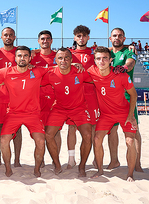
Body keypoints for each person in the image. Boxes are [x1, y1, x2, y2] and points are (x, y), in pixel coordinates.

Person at [0, 46, 47, 177]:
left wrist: (73, 64)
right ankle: (8, 168)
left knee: (40, 141)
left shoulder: (37, 71)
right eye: (20, 56)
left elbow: (57, 68)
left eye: (25, 56)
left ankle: (37, 169)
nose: (22, 58)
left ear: (30, 58)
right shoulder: (6, 72)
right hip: (14, 114)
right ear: (15, 58)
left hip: (33, 114)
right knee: (4, 140)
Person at [89, 46, 138, 182]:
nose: (102, 61)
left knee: (130, 141)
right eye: (98, 58)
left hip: (124, 113)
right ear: (95, 61)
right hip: (106, 115)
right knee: (97, 139)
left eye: (105, 58)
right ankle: (100, 170)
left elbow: (133, 95)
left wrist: (131, 115)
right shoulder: (91, 71)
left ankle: (130, 174)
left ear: (111, 60)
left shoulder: (120, 75)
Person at [42, 48, 93, 177]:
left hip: (79, 108)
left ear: (71, 60)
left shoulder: (80, 72)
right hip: (59, 108)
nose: (63, 60)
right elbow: (32, 78)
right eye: (60, 58)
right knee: (48, 135)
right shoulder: (50, 73)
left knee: (87, 136)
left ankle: (82, 166)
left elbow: (97, 79)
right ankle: (57, 164)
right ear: (56, 60)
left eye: (66, 58)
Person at [108, 28, 143, 172]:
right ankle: (114, 161)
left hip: (127, 98)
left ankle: (137, 163)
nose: (117, 38)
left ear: (124, 38)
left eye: (120, 36)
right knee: (112, 130)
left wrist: (123, 68)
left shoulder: (129, 52)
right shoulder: (107, 53)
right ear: (110, 38)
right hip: (111, 99)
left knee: (133, 131)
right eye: (114, 36)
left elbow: (130, 63)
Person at [66, 25, 99, 169]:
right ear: (75, 38)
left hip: (91, 94)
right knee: (71, 127)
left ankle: (92, 158)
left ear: (88, 37)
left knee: (92, 128)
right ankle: (71, 158)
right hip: (74, 95)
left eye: (84, 35)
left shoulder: (94, 53)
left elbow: (111, 52)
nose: (81, 38)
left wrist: (130, 46)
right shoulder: (68, 54)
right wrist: (71, 63)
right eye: (78, 36)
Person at [0, 27, 21, 168]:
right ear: (1, 37)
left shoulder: (20, 53)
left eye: (11, 35)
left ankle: (17, 160)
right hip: (0, 97)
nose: (8, 37)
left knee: (17, 129)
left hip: (17, 97)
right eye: (5, 35)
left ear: (14, 37)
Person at [31, 30, 59, 167]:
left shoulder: (59, 56)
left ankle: (56, 160)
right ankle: (40, 160)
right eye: (42, 39)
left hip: (55, 97)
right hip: (37, 97)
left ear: (51, 41)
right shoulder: (32, 57)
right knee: (39, 132)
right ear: (38, 41)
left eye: (48, 38)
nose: (45, 41)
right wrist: (34, 52)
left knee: (55, 131)